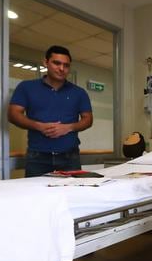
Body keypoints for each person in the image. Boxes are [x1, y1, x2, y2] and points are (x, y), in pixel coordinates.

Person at [8, 45, 93, 177]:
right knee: (36, 196)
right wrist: (39, 126)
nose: (61, 68)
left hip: (70, 157)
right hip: (37, 157)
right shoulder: (26, 87)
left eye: (66, 65)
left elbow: (88, 119)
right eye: (56, 63)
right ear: (46, 62)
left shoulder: (79, 93)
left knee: (72, 196)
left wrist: (68, 128)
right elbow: (13, 114)